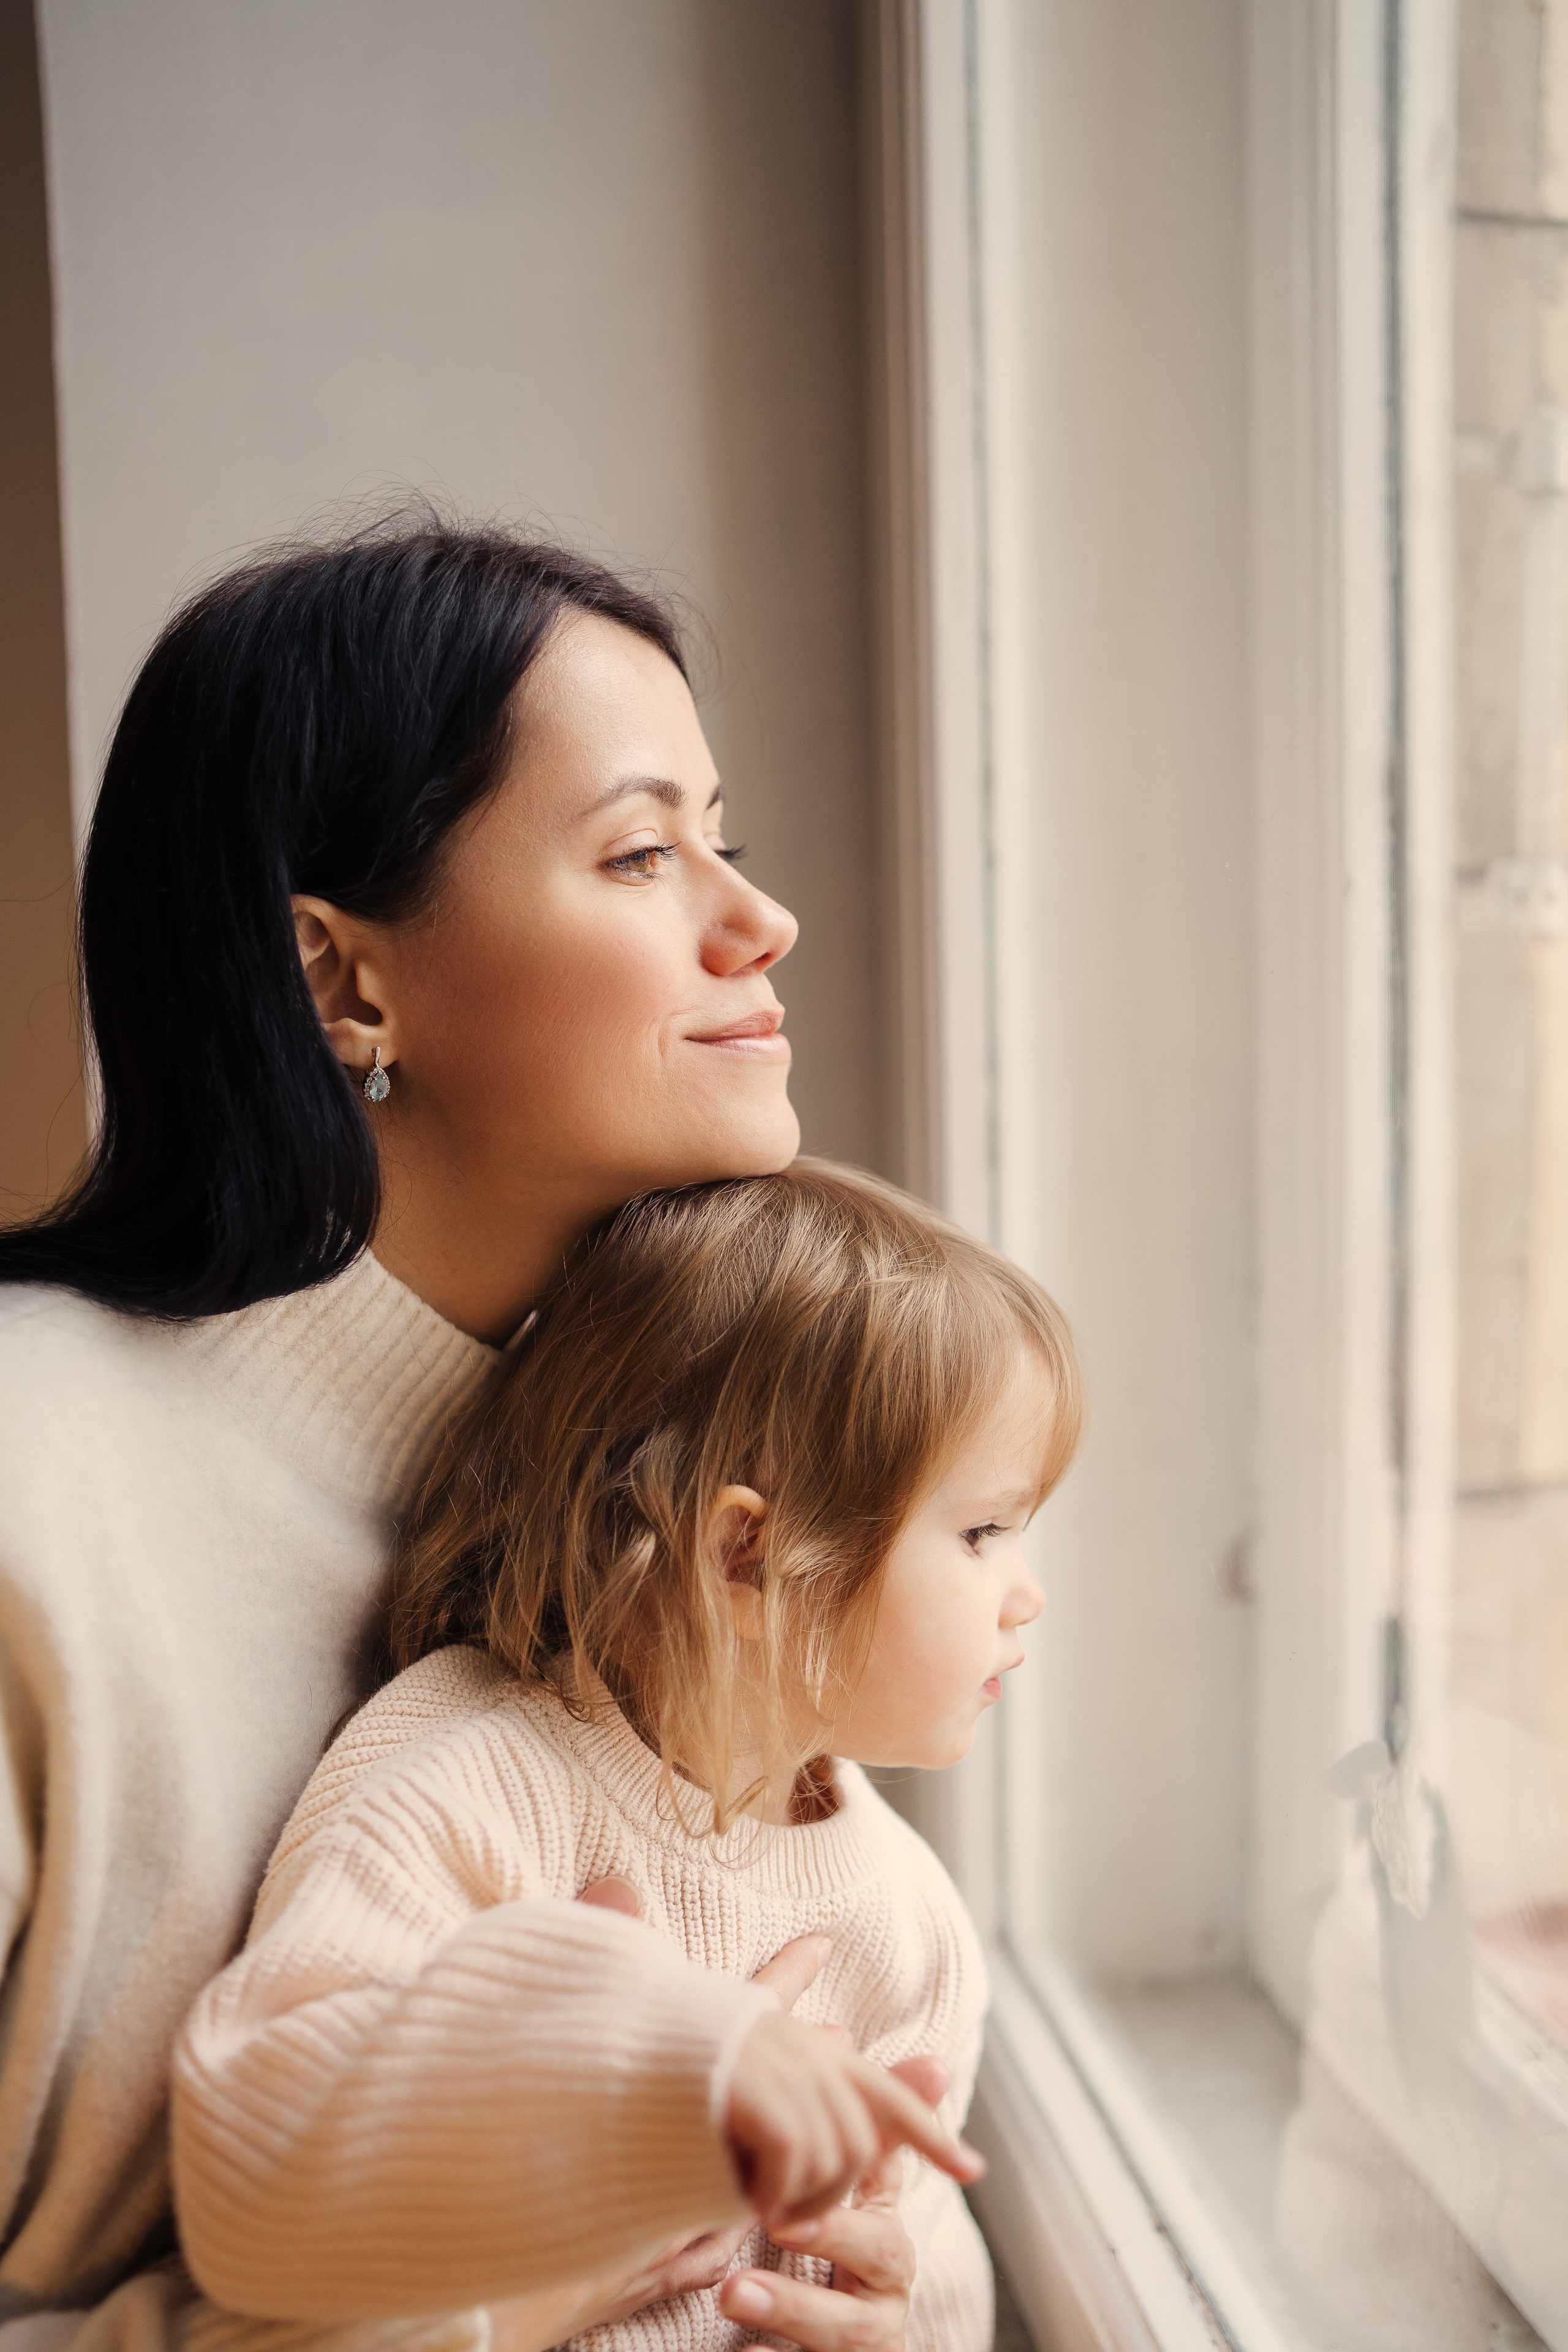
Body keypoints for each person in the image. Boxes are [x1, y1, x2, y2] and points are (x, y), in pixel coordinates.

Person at [0, 519, 914, 2352]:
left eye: (726, 840)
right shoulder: (33, 1478)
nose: (761, 921)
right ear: (346, 986)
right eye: (644, 851)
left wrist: (898, 2282)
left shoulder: (672, 1503)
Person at [172, 1159, 1083, 2352]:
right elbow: (251, 2178)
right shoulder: (469, 1780)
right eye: (980, 1533)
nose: (1028, 1598)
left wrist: (891, 2325)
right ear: (749, 1560)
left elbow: (924, 2274)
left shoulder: (911, 1929)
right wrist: (662, 2054)